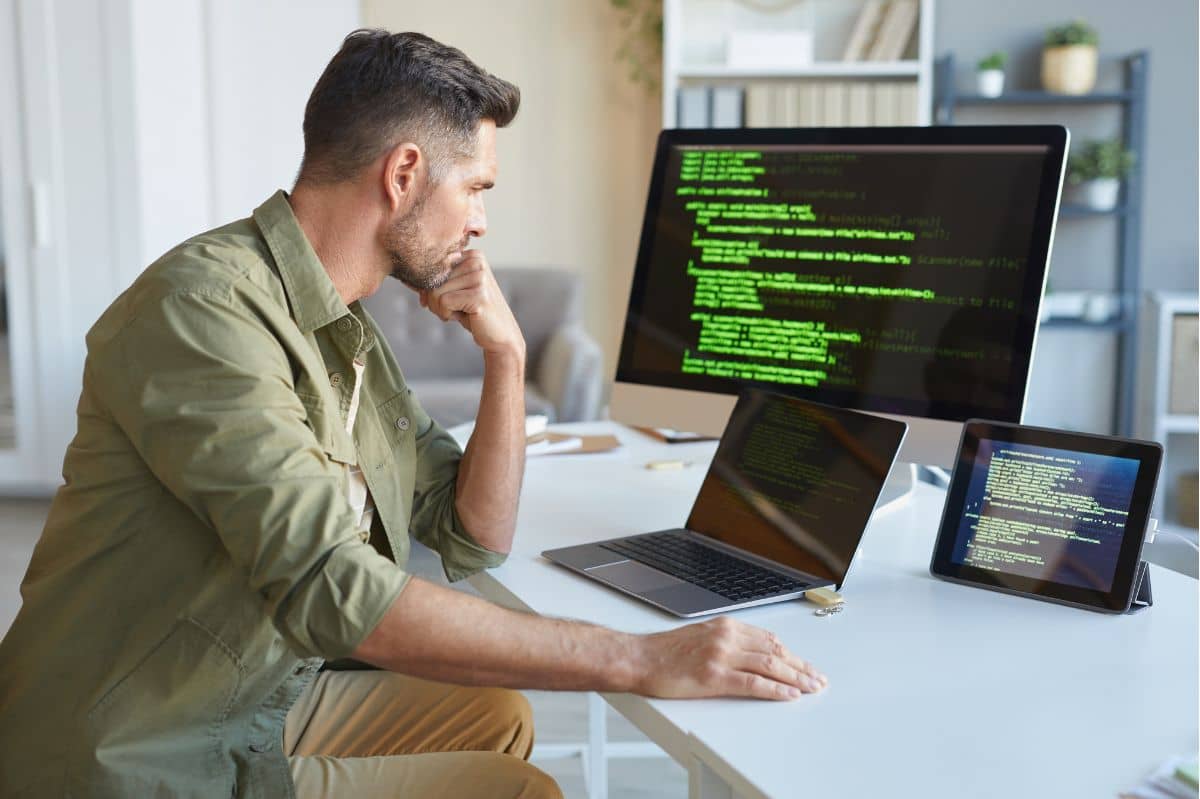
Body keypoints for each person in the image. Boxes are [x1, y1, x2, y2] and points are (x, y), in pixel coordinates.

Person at [0, 29, 826, 798]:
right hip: (141, 745)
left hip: (248, 690)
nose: (481, 220)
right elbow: (336, 592)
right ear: (403, 176)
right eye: (476, 187)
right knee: (519, 791)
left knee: (498, 713)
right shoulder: (202, 312)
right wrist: (641, 658)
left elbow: (472, 534)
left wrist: (506, 357)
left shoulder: (344, 324)